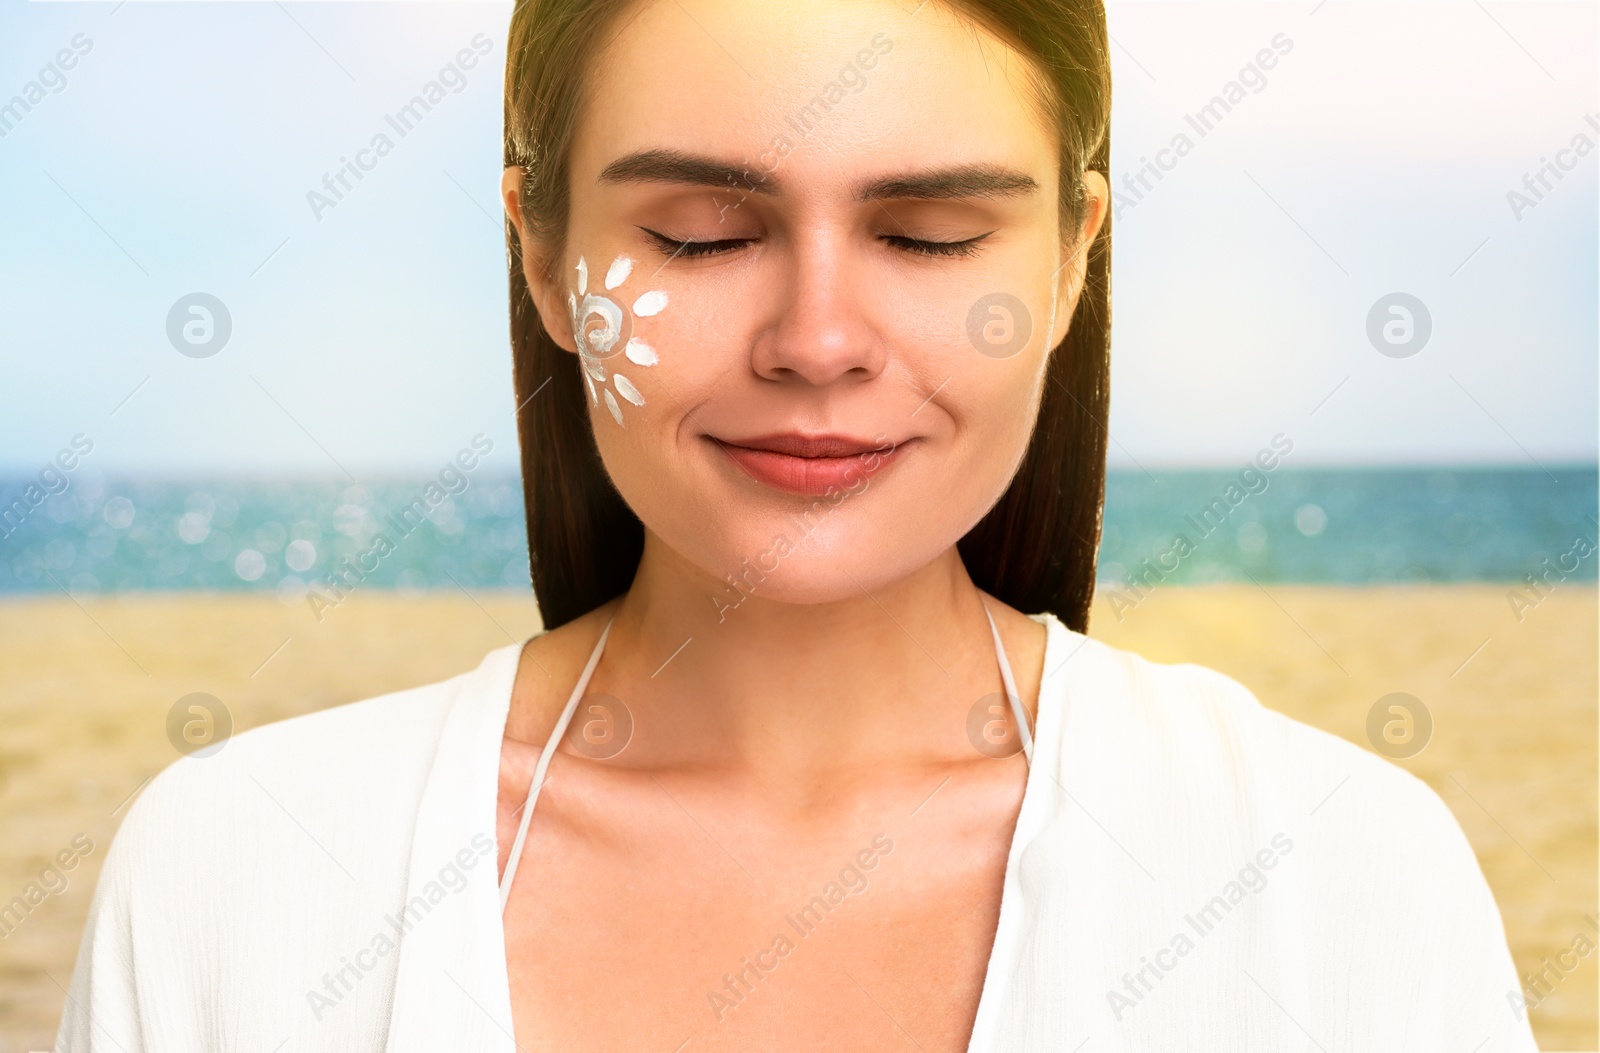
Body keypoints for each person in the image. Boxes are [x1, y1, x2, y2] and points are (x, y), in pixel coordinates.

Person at [57, 0, 1537, 1049]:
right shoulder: (239, 878)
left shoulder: (1334, 874)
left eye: (929, 235)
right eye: (701, 235)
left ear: (1077, 255)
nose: (818, 339)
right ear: (543, 249)